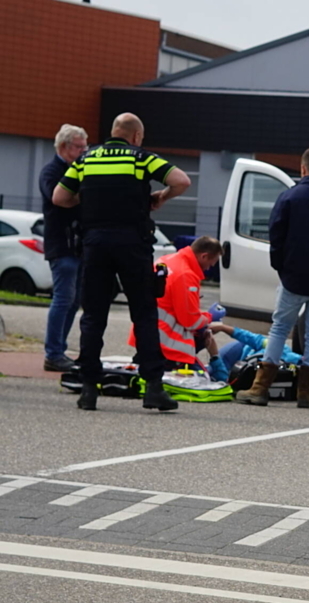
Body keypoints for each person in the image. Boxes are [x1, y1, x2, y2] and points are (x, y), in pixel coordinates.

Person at [52, 112, 191, 412]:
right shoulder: (141, 158)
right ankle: (153, 387)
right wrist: (162, 197)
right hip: (132, 244)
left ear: (113, 131)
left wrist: (85, 201)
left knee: (93, 316)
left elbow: (59, 197)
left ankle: (88, 388)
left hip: (95, 244)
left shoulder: (87, 160)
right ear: (137, 136)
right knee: (143, 313)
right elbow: (182, 180)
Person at [235, 146, 309, 409]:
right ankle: (305, 392)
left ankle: (260, 388)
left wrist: (281, 267)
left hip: (293, 277)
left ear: (303, 169)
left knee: (279, 328)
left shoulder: (288, 198)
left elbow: (276, 237)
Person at [39, 124, 89, 373]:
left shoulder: (76, 169)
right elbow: (56, 198)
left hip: (77, 245)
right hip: (62, 244)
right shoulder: (52, 171)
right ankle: (53, 352)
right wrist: (85, 194)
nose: (83, 151)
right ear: (63, 147)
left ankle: (58, 349)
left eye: (84, 146)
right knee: (63, 298)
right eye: (79, 147)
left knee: (73, 300)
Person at [127, 236, 222, 368]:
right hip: (168, 346)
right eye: (213, 262)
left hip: (147, 335)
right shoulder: (186, 275)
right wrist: (210, 317)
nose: (210, 267)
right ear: (204, 256)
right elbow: (191, 322)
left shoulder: (167, 260)